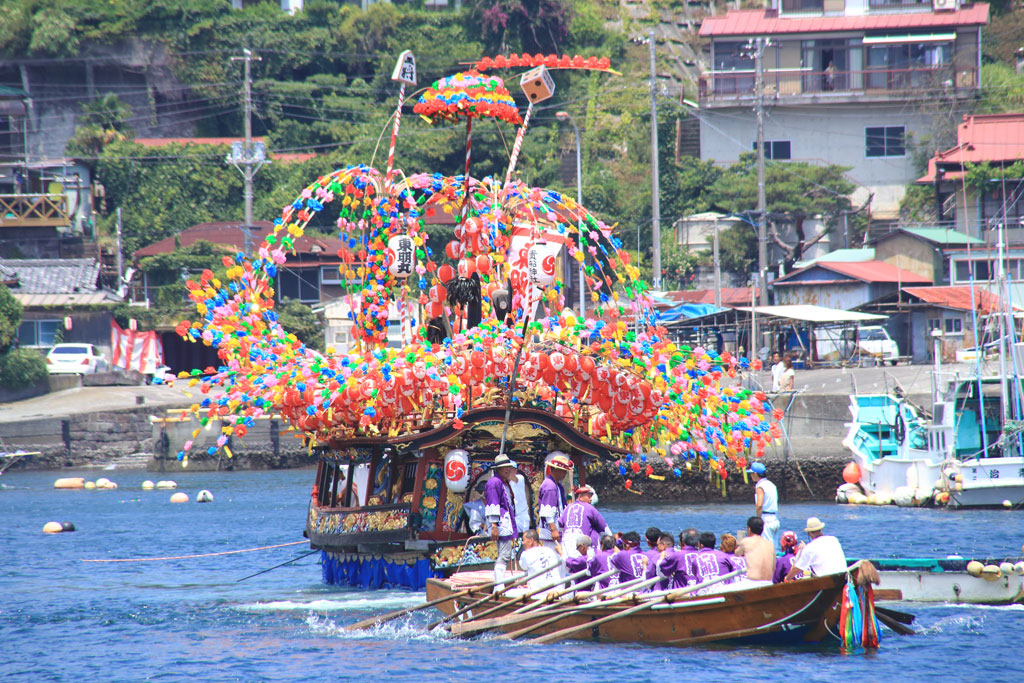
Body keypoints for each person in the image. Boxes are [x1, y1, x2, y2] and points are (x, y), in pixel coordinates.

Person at [484, 454, 519, 589]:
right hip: (501, 523)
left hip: (505, 522)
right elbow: (492, 503)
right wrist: (493, 525)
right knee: (504, 554)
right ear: (498, 469)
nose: (507, 470)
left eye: (509, 467)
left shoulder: (504, 482)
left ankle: (500, 584)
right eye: (504, 468)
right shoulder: (495, 482)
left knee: (505, 553)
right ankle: (499, 586)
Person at [559, 485, 612, 557]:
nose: (591, 499)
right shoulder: (590, 508)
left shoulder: (567, 508)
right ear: (580, 497)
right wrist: (611, 540)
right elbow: (604, 527)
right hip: (582, 545)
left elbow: (560, 525)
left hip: (566, 542)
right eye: (589, 496)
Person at [537, 453, 573, 551]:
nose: (565, 474)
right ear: (557, 470)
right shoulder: (550, 486)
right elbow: (547, 511)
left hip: (554, 529)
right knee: (553, 558)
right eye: (564, 471)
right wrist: (553, 530)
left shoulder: (556, 485)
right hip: (551, 531)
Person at [515, 529, 563, 597]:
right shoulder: (549, 550)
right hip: (558, 592)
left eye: (523, 540)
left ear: (531, 540)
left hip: (540, 595)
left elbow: (523, 566)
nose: (522, 543)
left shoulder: (526, 554)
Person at [734, 516, 776, 587]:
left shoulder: (746, 541)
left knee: (720, 590)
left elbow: (737, 553)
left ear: (749, 529)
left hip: (753, 583)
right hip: (769, 583)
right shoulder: (770, 544)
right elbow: (774, 567)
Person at [748, 461, 780, 548]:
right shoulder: (771, 485)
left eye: (751, 474)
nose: (750, 476)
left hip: (766, 519)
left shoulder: (760, 487)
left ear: (755, 474)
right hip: (775, 519)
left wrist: (758, 520)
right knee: (774, 548)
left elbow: (759, 505)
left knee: (766, 547)